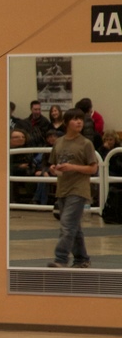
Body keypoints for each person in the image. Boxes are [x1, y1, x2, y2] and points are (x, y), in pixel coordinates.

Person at [47, 108, 97, 268]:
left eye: (81, 119)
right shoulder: (59, 142)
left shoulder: (86, 144)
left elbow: (93, 168)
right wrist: (53, 169)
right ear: (66, 122)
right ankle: (82, 259)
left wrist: (73, 167)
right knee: (74, 227)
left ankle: (61, 258)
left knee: (67, 225)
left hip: (78, 190)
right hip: (62, 189)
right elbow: (52, 163)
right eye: (75, 119)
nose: (79, 122)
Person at [98, 129, 122, 224]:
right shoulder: (101, 150)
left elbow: (118, 165)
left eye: (110, 139)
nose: (108, 142)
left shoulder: (119, 150)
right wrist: (104, 150)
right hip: (105, 173)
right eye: (106, 140)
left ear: (115, 140)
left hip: (116, 172)